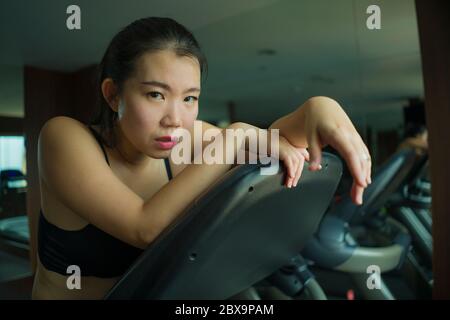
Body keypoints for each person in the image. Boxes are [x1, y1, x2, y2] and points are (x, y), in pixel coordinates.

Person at [31, 17, 371, 299]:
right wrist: (234, 136)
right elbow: (143, 228)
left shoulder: (185, 139)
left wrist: (318, 107)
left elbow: (272, 143)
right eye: (155, 94)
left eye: (190, 98)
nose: (175, 119)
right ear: (112, 94)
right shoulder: (64, 137)